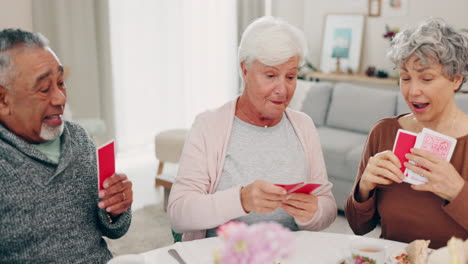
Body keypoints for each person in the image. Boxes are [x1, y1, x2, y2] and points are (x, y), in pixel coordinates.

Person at [168, 16, 337, 241]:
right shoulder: (208, 126)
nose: (283, 89)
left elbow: (328, 205)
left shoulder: (303, 126)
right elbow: (179, 214)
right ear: (245, 71)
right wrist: (241, 200)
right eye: (270, 75)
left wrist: (313, 213)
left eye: (291, 77)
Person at [0, 29, 133, 263]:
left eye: (61, 83)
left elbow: (111, 230)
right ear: (4, 101)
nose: (60, 98)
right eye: (44, 89)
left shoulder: (79, 139)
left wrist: (116, 209)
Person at [345, 18, 468, 249]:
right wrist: (364, 189)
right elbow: (357, 226)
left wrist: (457, 191)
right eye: (405, 78)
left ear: (456, 79)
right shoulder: (383, 133)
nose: (413, 91)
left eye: (427, 78)